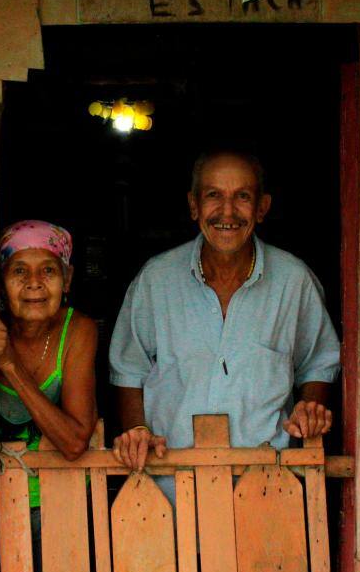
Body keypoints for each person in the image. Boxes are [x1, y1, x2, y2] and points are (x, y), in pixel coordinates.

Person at [109, 149, 340, 481]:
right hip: (171, 481)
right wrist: (137, 429)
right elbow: (129, 370)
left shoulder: (294, 280)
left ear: (262, 207)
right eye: (213, 195)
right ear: (193, 205)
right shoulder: (156, 280)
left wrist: (310, 406)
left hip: (267, 482)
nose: (227, 212)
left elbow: (319, 361)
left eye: (242, 196)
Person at [0, 219, 98, 503]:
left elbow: (74, 443)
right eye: (19, 271)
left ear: (67, 279)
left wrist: (10, 364)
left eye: (48, 270)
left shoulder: (77, 331)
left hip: (60, 502)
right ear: (0, 282)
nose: (34, 283)